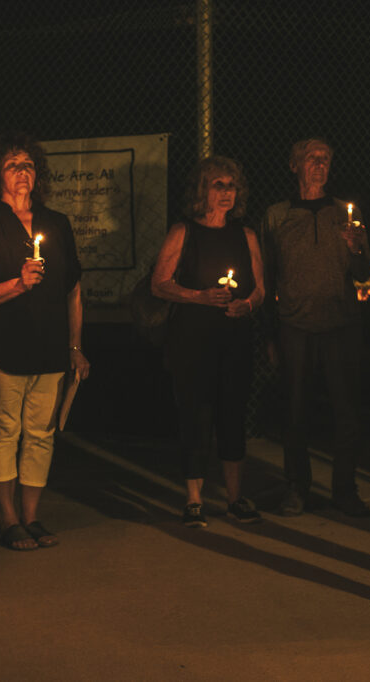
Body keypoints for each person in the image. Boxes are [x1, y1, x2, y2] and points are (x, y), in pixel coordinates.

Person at [0, 132, 90, 551]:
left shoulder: (56, 223)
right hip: (3, 349)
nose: (23, 172)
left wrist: (75, 346)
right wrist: (17, 285)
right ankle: (8, 518)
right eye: (14, 165)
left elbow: (72, 289)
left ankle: (32, 516)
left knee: (40, 435)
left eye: (29, 165)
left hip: (50, 350)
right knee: (4, 432)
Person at [151, 156, 265, 527]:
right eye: (218, 185)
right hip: (194, 339)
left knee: (232, 414)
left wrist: (247, 304)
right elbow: (159, 283)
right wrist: (200, 297)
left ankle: (235, 497)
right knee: (195, 416)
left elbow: (261, 288)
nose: (227, 192)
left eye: (231, 185)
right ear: (203, 190)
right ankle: (195, 499)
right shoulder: (184, 232)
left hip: (234, 337)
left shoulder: (245, 235)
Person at [261, 138, 370, 518]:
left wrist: (357, 247)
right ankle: (297, 487)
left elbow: (362, 274)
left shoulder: (345, 214)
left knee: (346, 411)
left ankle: (345, 490)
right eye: (312, 158)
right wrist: (269, 334)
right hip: (294, 324)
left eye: (326, 159)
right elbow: (267, 276)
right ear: (294, 165)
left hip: (341, 325)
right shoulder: (277, 216)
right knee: (295, 409)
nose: (320, 164)